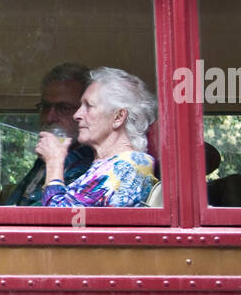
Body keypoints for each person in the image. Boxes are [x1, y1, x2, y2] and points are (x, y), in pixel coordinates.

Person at [37, 66, 157, 208]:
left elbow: (59, 220)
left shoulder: (129, 166)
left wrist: (54, 162)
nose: (77, 115)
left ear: (118, 117)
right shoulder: (106, 165)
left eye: (88, 106)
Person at [8, 63, 94, 205]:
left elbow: (53, 218)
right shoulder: (47, 157)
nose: (50, 117)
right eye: (46, 107)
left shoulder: (89, 164)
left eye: (64, 108)